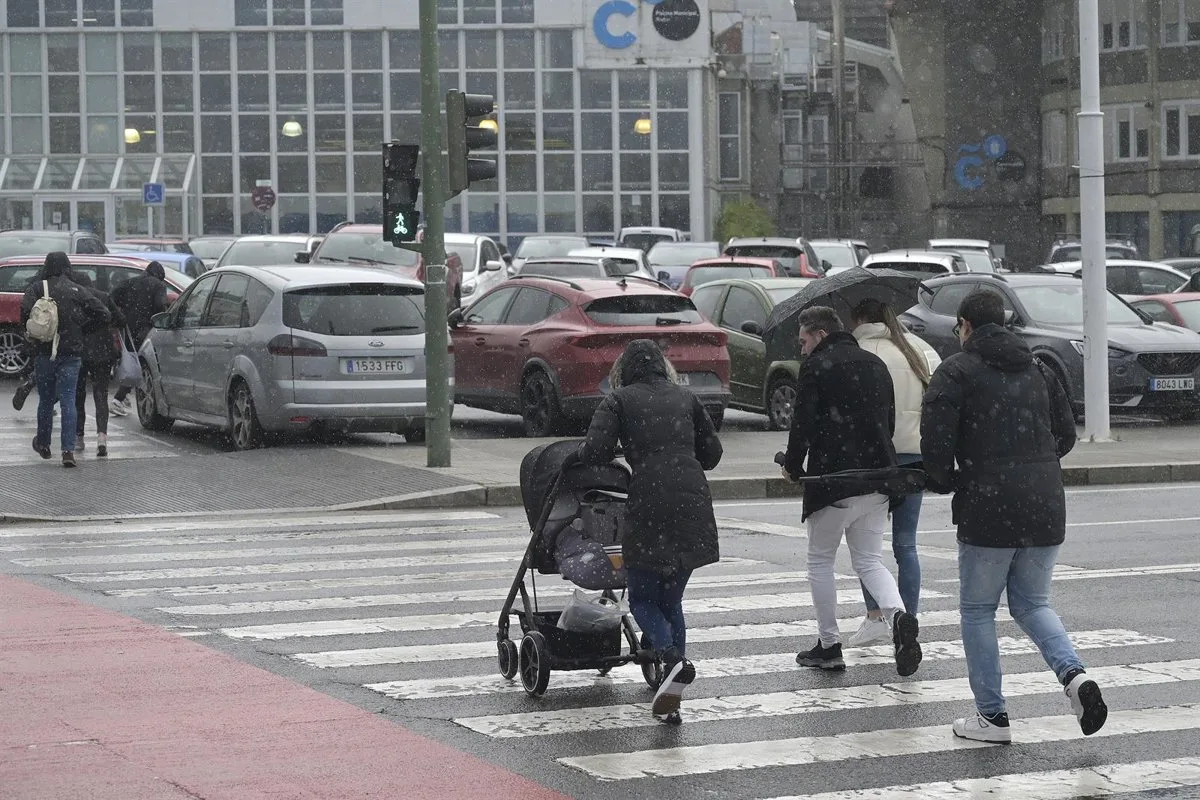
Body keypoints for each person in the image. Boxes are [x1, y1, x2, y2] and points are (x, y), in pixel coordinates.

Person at [922, 290, 1107, 743]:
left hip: (988, 506)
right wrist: (1031, 462)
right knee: (1032, 604)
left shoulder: (956, 372)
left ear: (964, 325)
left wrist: (946, 479)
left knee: (978, 609)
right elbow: (1064, 435)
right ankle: (1075, 676)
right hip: (1045, 503)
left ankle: (992, 716)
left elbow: (936, 447)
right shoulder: (1039, 369)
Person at [576, 339, 722, 724]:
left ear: (625, 370)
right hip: (693, 499)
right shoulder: (686, 398)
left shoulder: (619, 400)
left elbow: (595, 452)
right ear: (662, 366)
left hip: (650, 501)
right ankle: (672, 690)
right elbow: (714, 454)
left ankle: (672, 659)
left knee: (642, 598)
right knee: (671, 600)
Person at [781, 306, 921, 676]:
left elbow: (803, 424)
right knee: (870, 561)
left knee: (820, 562)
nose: (802, 350)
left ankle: (829, 645)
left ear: (821, 335)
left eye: (804, 341)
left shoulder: (817, 367)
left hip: (834, 482)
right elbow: (887, 422)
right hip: (877, 479)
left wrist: (793, 466)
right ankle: (899, 618)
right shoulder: (874, 364)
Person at [844, 298, 942, 647]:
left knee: (867, 550)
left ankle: (875, 616)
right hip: (914, 457)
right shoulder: (917, 348)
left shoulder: (854, 350)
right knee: (906, 545)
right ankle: (908, 619)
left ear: (856, 317)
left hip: (873, 458)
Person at [19, 252, 111, 467]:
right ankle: (68, 451)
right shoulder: (77, 290)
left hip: (44, 352)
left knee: (46, 399)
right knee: (69, 400)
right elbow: (104, 314)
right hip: (71, 354)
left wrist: (34, 333)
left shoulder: (37, 288)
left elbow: (24, 312)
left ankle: (43, 443)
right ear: (67, 267)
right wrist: (82, 329)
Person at [71, 273, 125, 458]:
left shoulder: (75, 296)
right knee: (100, 394)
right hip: (103, 351)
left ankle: (79, 437)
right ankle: (102, 437)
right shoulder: (103, 296)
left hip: (80, 351)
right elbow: (121, 320)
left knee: (78, 395)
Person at [109, 261, 168, 416]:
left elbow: (111, 297)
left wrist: (121, 316)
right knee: (142, 367)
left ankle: (124, 396)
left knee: (132, 363)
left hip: (129, 329)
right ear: (160, 275)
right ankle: (118, 399)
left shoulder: (130, 282)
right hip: (147, 331)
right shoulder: (159, 286)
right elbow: (159, 307)